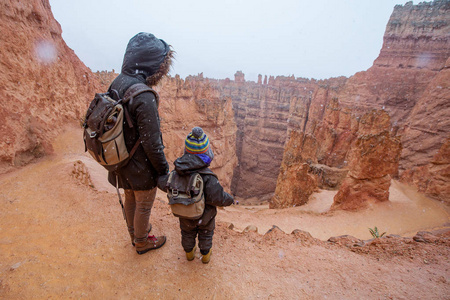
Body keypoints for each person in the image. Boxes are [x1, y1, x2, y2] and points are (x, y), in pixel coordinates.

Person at [107, 32, 173, 255]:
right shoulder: (144, 95)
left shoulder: (117, 82)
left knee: (130, 198)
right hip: (140, 164)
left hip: (121, 158)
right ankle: (142, 242)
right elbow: (152, 143)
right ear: (152, 64)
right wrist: (163, 170)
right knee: (143, 203)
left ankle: (134, 232)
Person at [158, 127, 234, 263]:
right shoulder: (208, 177)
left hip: (184, 212)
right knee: (206, 234)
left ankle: (189, 252)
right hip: (205, 215)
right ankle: (205, 255)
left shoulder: (178, 172)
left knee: (187, 233)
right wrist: (229, 200)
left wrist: (157, 178)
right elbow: (218, 197)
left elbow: (165, 183)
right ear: (206, 152)